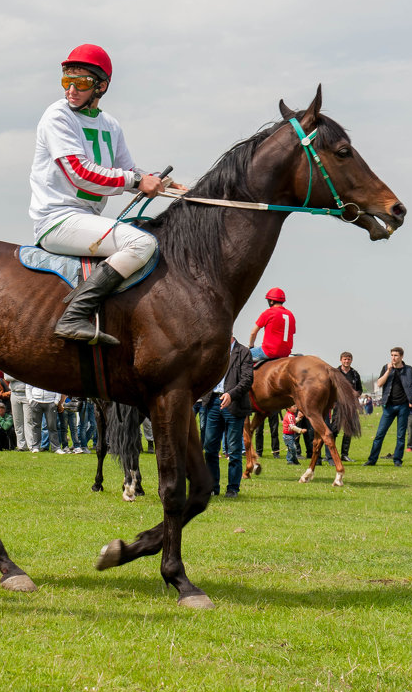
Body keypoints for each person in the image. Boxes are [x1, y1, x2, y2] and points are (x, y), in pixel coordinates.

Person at [29, 44, 183, 345]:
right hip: (57, 219)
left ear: (101, 86)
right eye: (66, 81)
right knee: (141, 244)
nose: (71, 90)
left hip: (85, 219)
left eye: (82, 83)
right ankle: (73, 315)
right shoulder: (56, 116)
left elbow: (127, 170)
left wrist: (160, 181)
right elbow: (80, 171)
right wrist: (138, 180)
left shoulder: (111, 125)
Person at [197, 336, 254, 497]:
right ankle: (213, 487)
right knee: (210, 448)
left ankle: (232, 488)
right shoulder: (213, 351)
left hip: (234, 405)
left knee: (234, 449)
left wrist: (231, 394)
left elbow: (247, 379)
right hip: (213, 402)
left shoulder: (243, 352)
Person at [363, 347, 412, 467]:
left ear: (402, 356)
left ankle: (397, 460)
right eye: (392, 355)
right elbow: (379, 383)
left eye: (396, 356)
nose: (393, 358)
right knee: (380, 434)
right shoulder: (386, 368)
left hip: (403, 406)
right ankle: (372, 460)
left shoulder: (408, 370)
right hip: (389, 406)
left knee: (400, 435)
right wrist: (388, 371)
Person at [248, 288, 296, 362]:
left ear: (271, 301)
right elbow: (291, 333)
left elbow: (253, 332)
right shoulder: (290, 315)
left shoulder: (269, 312)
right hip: (285, 353)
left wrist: (251, 346)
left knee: (240, 356)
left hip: (269, 351)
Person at [333, 351, 362, 461]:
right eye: (345, 359)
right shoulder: (335, 373)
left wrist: (357, 393)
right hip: (338, 404)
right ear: (341, 360)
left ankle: (344, 454)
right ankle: (331, 453)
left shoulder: (355, 374)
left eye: (348, 359)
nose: (346, 361)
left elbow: (360, 389)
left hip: (351, 405)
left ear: (351, 360)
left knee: (348, 430)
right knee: (334, 429)